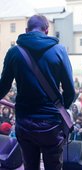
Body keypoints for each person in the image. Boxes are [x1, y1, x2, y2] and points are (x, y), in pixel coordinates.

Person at [0, 15, 75, 170]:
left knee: (30, 166)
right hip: (51, 124)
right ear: (46, 30)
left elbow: (2, 88)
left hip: (25, 123)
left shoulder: (14, 52)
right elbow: (70, 91)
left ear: (26, 30)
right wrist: (60, 109)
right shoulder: (59, 50)